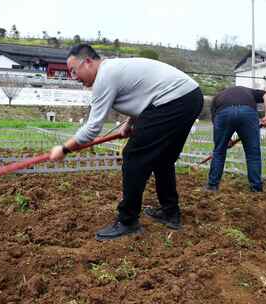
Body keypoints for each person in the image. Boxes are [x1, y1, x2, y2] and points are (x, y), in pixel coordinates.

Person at [49, 44, 204, 241]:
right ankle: (170, 212)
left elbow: (92, 129)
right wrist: (130, 123)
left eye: (73, 71)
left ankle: (128, 221)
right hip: (188, 97)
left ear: (87, 62)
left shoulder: (104, 77)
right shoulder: (114, 70)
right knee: (163, 159)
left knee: (133, 156)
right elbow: (144, 94)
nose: (73, 77)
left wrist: (64, 148)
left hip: (173, 100)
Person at [206, 86, 266, 192]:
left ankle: (212, 187)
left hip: (223, 113)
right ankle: (256, 189)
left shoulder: (217, 97)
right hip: (247, 113)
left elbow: (216, 122)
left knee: (219, 152)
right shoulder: (249, 91)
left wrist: (225, 142)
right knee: (253, 154)